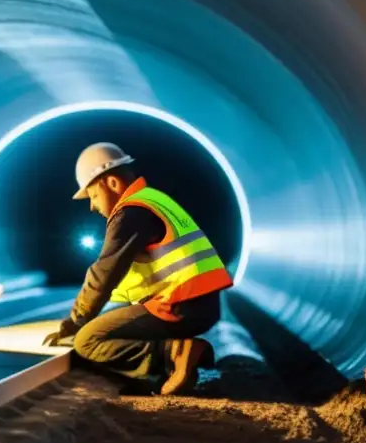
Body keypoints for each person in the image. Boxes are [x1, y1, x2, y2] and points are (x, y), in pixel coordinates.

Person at [42, 142, 233, 395]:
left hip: (179, 305)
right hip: (198, 302)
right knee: (116, 327)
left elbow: (104, 274)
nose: (92, 206)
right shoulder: (154, 200)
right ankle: (168, 370)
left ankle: (175, 353)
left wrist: (76, 321)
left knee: (88, 340)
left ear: (111, 183)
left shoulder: (131, 212)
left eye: (94, 196)